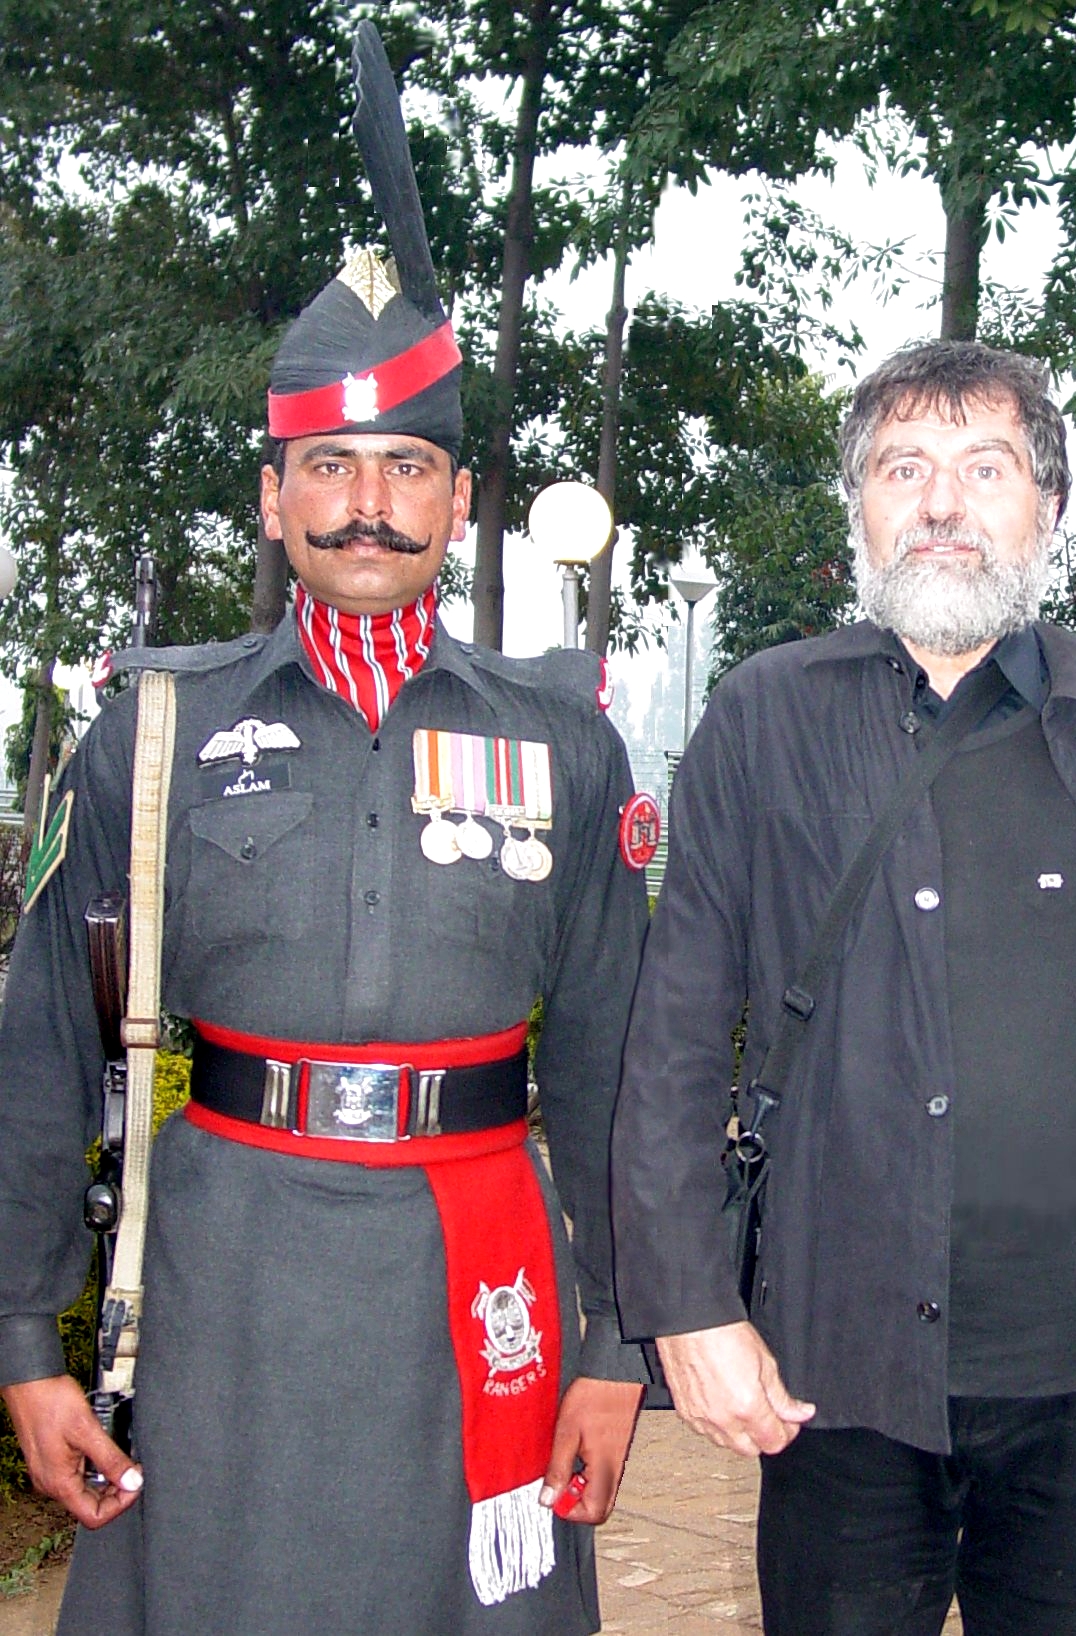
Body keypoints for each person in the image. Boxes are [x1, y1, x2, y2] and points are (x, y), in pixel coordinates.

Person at [0, 25, 650, 1635]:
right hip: (228, 1290)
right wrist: (26, 1340)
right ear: (274, 493)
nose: (370, 498)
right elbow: (35, 1057)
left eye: (408, 466)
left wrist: (617, 1348)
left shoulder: (561, 737)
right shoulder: (153, 729)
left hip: (481, 1283)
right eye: (332, 465)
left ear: (460, 500)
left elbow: (620, 1069)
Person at [611, 339, 1076, 1635]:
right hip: (833, 1380)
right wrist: (687, 1307)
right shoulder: (766, 722)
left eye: (984, 467)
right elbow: (668, 1041)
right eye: (904, 468)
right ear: (863, 509)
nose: (941, 501)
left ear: (1048, 504)